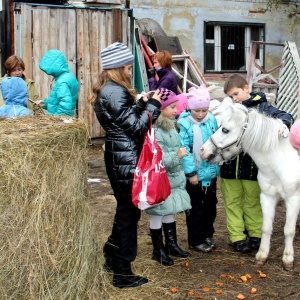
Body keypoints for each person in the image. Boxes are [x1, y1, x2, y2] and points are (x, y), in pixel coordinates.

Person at [90, 42, 161, 289]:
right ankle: (122, 272)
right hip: (126, 158)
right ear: (118, 68)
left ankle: (112, 255)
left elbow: (123, 121)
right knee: (128, 215)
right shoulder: (116, 91)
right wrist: (153, 107)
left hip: (119, 155)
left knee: (125, 211)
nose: (131, 72)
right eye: (129, 67)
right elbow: (136, 127)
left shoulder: (107, 90)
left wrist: (141, 103)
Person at [221, 73, 293, 253]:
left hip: (252, 169)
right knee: (232, 203)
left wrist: (283, 124)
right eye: (231, 97)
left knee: (253, 202)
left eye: (236, 94)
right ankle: (237, 236)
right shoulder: (231, 110)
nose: (234, 99)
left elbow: (285, 115)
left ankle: (255, 234)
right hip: (230, 167)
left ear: (246, 88)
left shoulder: (263, 109)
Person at [145, 88, 191, 266]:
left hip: (172, 178)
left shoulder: (170, 126)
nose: (175, 110)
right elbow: (158, 158)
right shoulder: (156, 130)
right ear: (161, 108)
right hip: (162, 180)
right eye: (172, 107)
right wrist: (177, 156)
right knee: (158, 214)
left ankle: (171, 244)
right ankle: (158, 250)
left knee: (169, 211)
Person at [178, 84, 220, 253]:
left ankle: (207, 234)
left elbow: (217, 140)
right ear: (190, 108)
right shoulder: (184, 124)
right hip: (195, 176)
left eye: (204, 110)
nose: (201, 114)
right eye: (197, 111)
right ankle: (195, 239)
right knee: (196, 208)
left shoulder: (211, 120)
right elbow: (184, 150)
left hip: (210, 171)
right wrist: (191, 173)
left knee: (211, 206)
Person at [38, 49, 79, 116]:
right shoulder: (69, 76)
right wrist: (45, 103)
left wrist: (55, 120)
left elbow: (65, 107)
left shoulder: (62, 82)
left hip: (61, 122)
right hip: (67, 119)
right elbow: (59, 101)